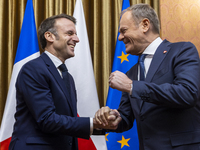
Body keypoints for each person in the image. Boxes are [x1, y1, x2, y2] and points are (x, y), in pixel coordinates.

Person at [95, 3, 200, 150]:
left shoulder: (182, 51)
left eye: (124, 31)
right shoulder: (131, 73)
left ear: (145, 25)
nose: (120, 38)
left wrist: (131, 86)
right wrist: (112, 118)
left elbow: (188, 93)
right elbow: (126, 118)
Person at [9, 14, 118, 150]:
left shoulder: (67, 77)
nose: (77, 39)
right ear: (49, 37)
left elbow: (67, 121)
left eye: (76, 34)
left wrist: (105, 124)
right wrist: (93, 122)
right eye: (70, 33)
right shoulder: (34, 69)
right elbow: (47, 120)